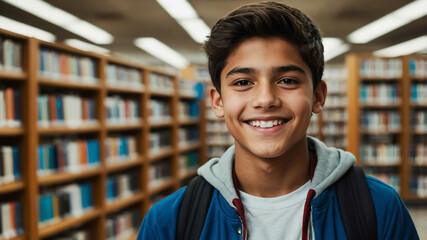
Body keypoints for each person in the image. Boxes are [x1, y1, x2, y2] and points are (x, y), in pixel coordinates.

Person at [137, 1, 419, 239]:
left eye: (287, 80)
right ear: (218, 102)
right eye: (243, 82)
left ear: (318, 97)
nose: (265, 99)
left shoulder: (380, 208)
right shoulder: (168, 222)